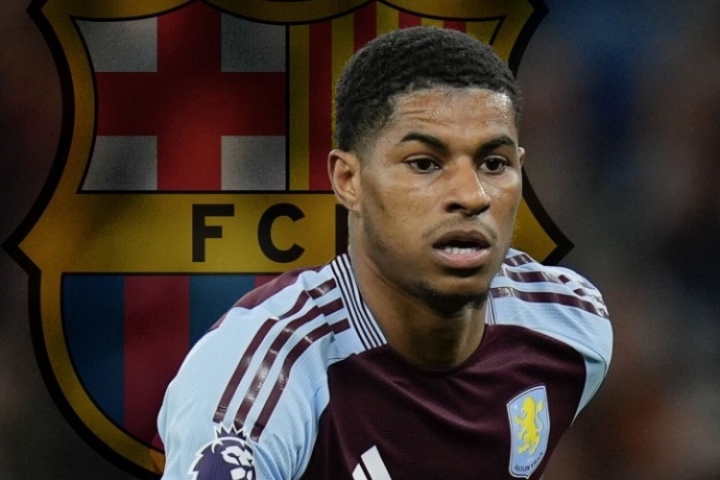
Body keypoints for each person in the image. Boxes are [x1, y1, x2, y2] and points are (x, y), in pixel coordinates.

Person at [157, 26, 612, 480]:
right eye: (425, 163)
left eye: (494, 164)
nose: (471, 196)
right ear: (348, 181)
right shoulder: (262, 380)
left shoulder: (571, 328)